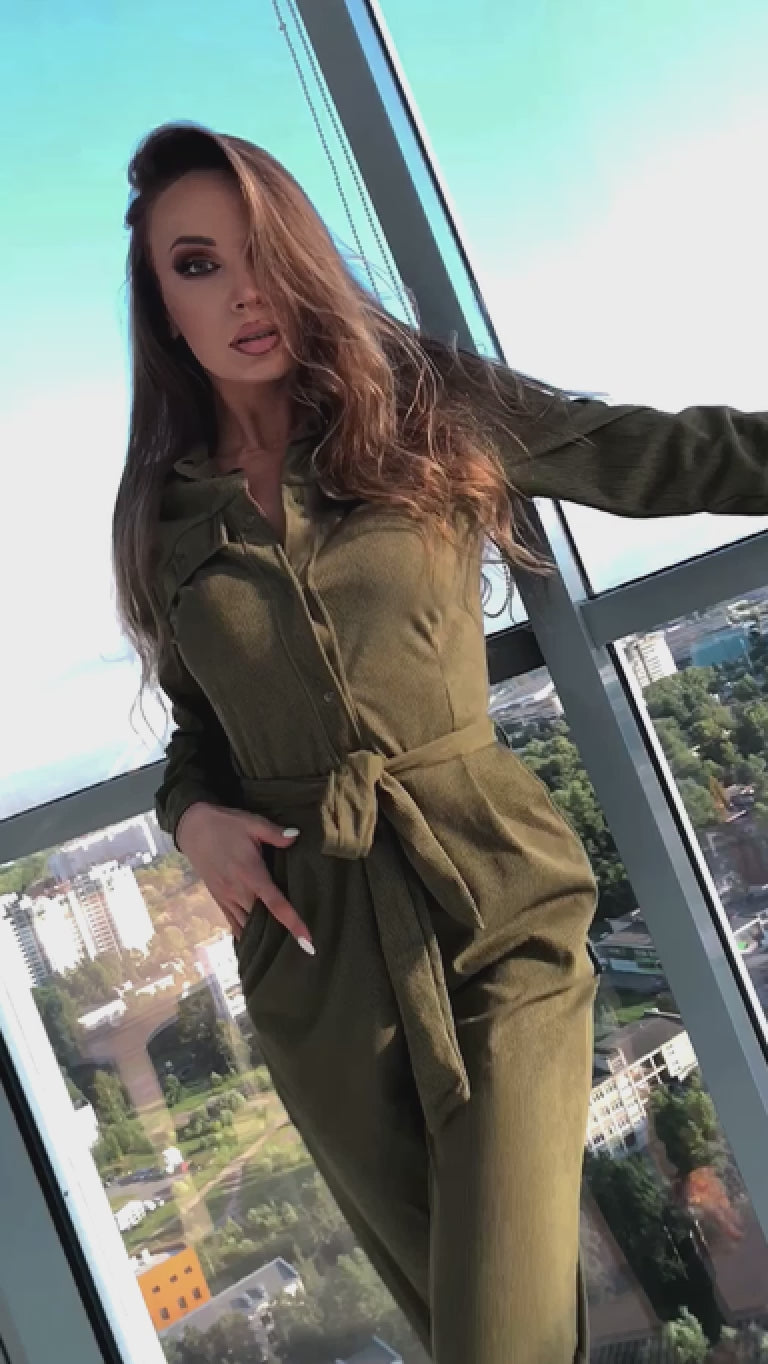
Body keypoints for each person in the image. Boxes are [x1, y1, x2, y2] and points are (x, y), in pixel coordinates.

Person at [113, 120, 768, 1364]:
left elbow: (661, 451)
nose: (244, 291)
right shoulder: (160, 518)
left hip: (497, 909)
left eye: (264, 250)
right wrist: (189, 815)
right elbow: (199, 723)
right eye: (199, 264)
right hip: (316, 967)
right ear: (163, 308)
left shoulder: (426, 410)